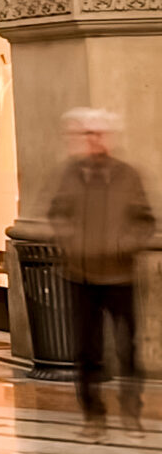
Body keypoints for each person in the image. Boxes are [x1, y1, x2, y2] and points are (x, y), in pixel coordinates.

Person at [49, 107, 156, 430]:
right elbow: (57, 213)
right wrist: (71, 241)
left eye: (97, 134)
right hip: (80, 275)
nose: (92, 140)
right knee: (87, 350)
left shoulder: (128, 175)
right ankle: (93, 414)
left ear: (108, 138)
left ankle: (131, 410)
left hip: (120, 276)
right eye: (86, 134)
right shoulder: (70, 174)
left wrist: (126, 243)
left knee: (128, 348)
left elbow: (145, 221)